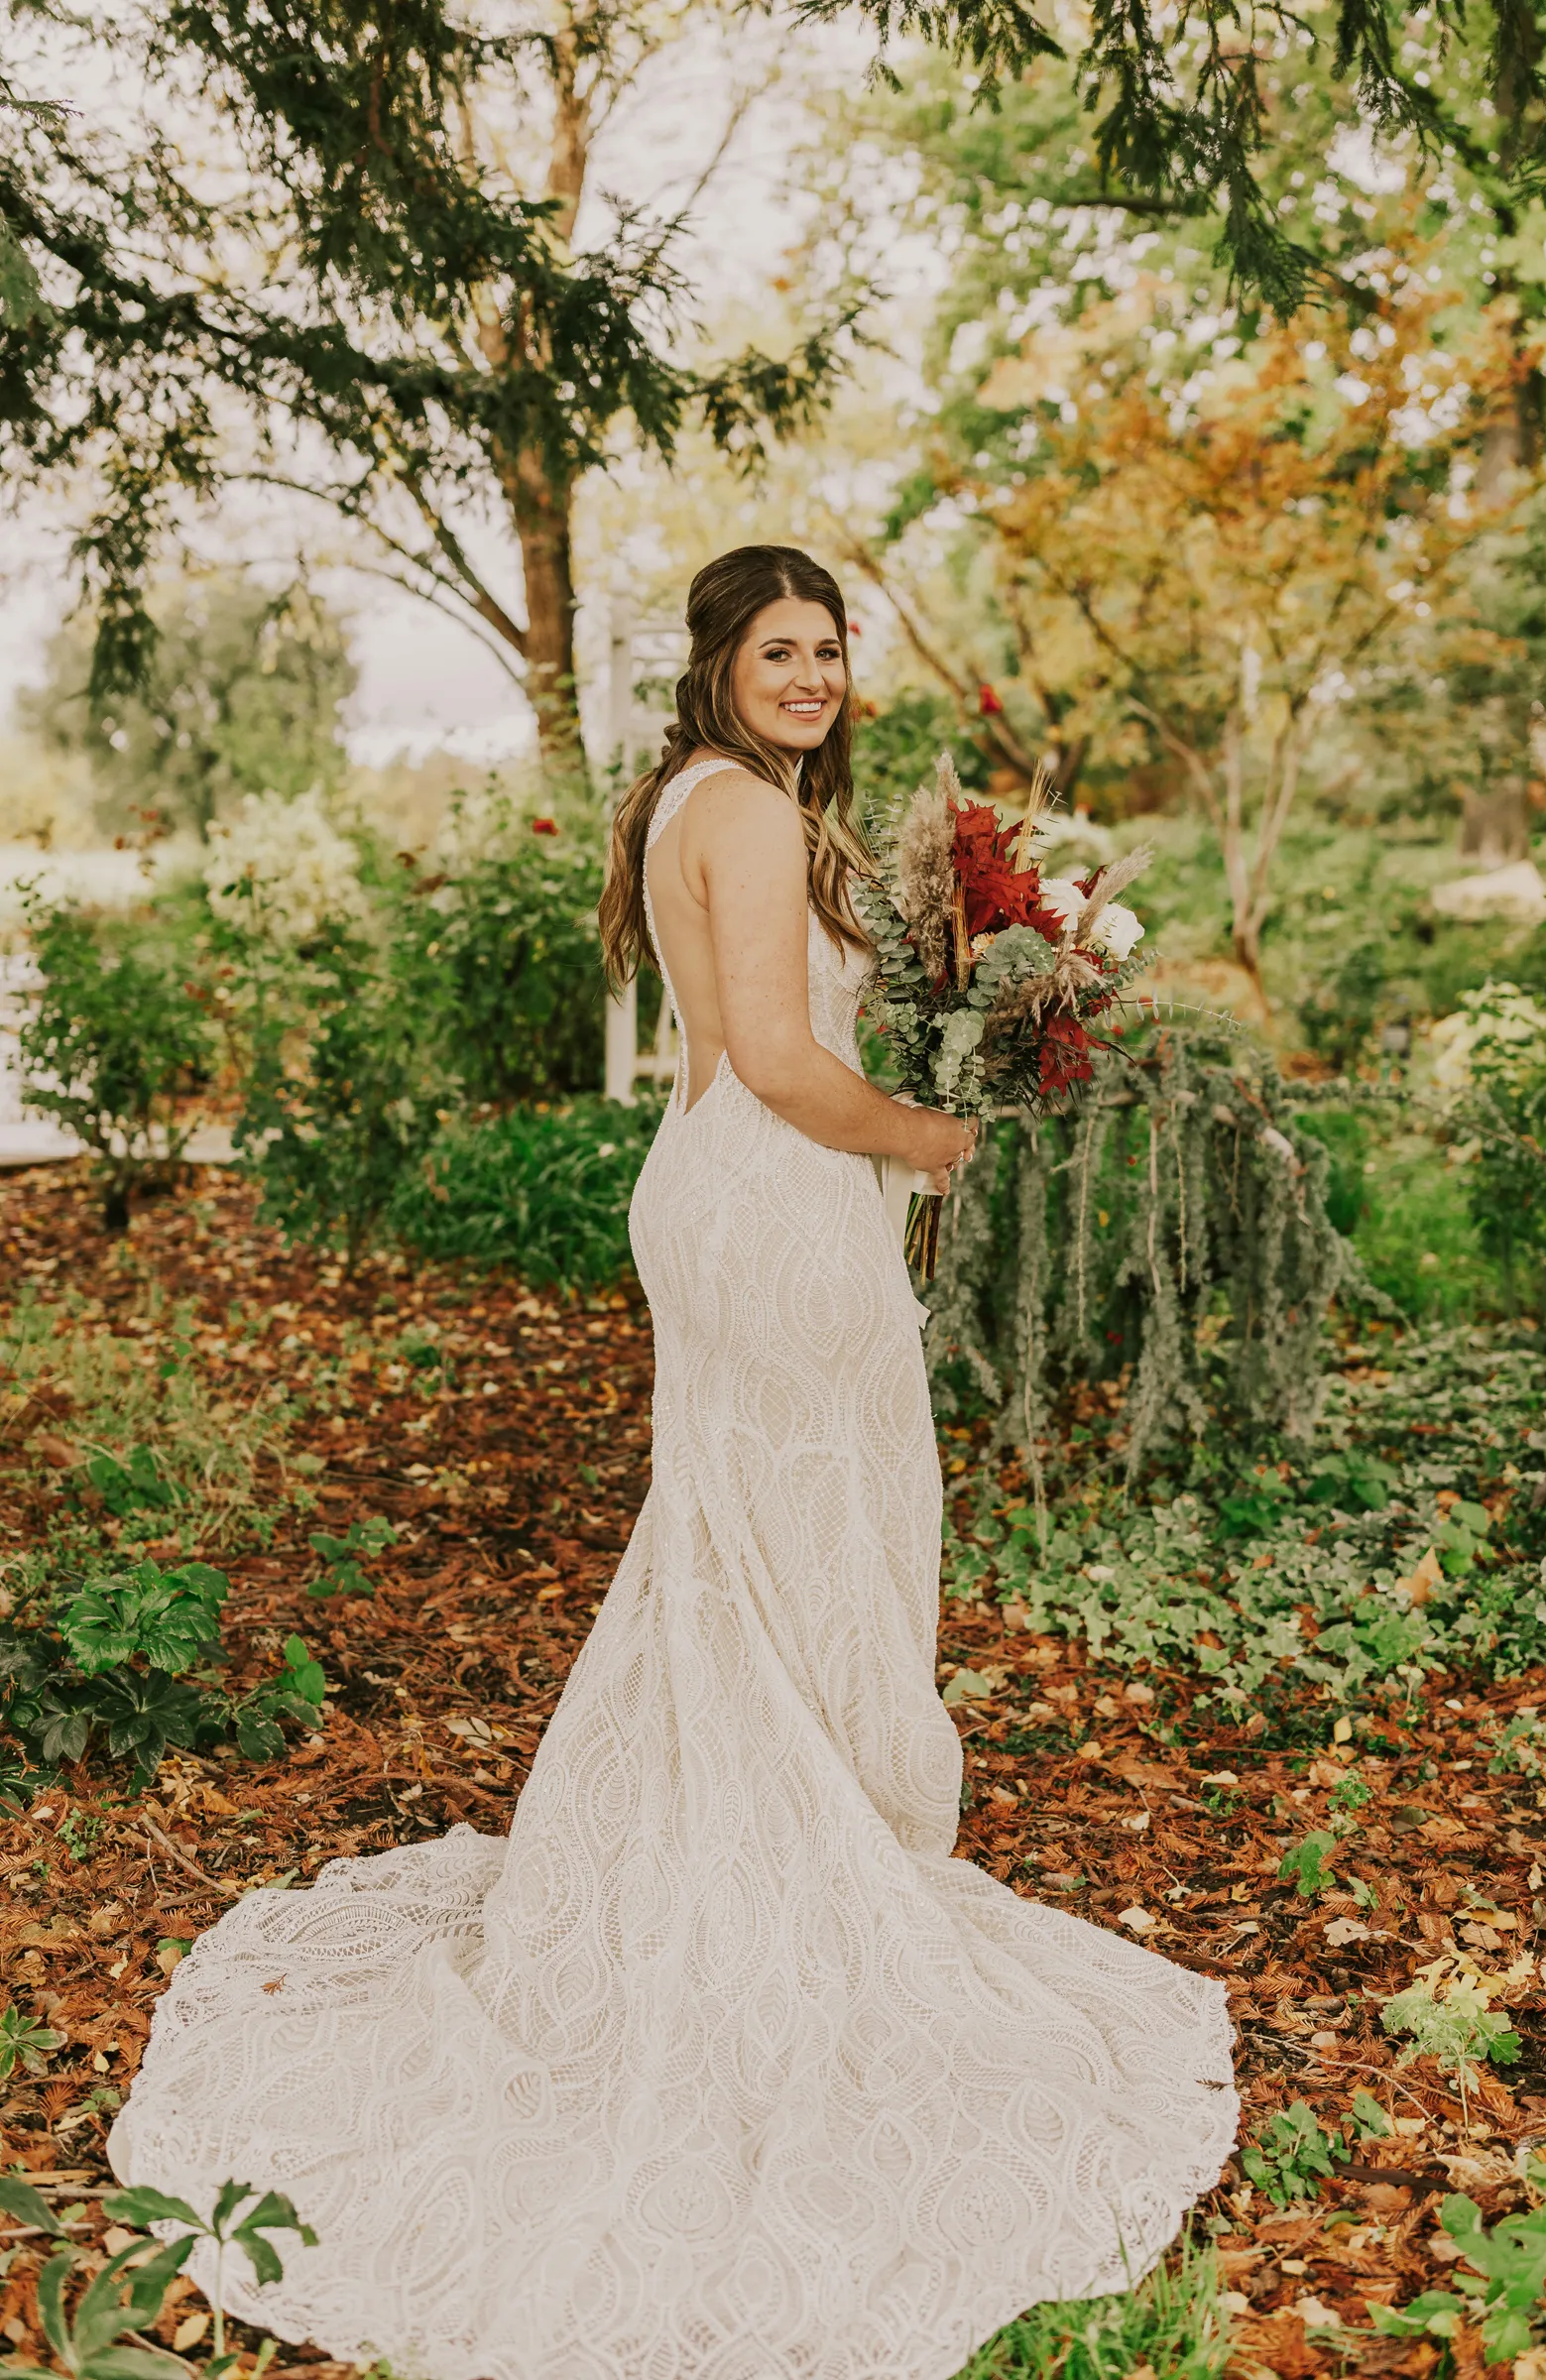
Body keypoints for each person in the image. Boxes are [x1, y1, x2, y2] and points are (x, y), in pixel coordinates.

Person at [109, 544, 1238, 2380]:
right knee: (803, 1538)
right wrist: (941, 1133)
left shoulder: (718, 804)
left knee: (754, 1548)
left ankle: (773, 1845)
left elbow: (765, 1044)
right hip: (778, 1204)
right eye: (779, 647)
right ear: (718, 662)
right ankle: (782, 1897)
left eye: (831, 647)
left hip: (749, 1201)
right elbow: (788, 1065)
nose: (813, 672)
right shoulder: (746, 813)